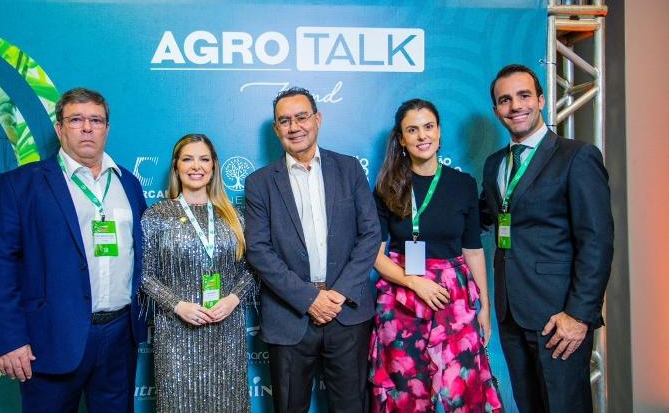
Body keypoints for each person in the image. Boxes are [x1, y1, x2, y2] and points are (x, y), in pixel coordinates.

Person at [0, 87, 147, 412]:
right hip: (51, 338)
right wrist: (10, 339)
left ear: (107, 129)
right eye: (76, 119)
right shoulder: (21, 185)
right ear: (59, 128)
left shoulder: (128, 183)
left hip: (119, 336)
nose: (87, 128)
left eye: (96, 120)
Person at [480, 64, 613, 413]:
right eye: (504, 100)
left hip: (559, 317)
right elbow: (482, 215)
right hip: (511, 312)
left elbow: (596, 242)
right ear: (496, 110)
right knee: (530, 406)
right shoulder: (495, 164)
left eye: (524, 96)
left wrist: (579, 316)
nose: (515, 106)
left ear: (540, 100)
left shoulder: (576, 156)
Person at [245, 86, 381, 413]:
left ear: (317, 119)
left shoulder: (349, 169)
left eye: (301, 117)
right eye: (285, 121)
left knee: (351, 407)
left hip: (346, 312)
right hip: (289, 317)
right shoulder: (259, 182)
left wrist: (339, 293)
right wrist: (310, 299)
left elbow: (370, 234)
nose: (294, 127)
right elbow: (260, 251)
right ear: (277, 129)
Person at [370, 99, 502, 412]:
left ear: (439, 132)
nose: (422, 136)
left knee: (463, 388)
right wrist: (416, 283)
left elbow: (472, 248)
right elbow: (374, 256)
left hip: (454, 297)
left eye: (428, 127)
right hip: (401, 296)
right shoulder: (387, 186)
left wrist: (484, 305)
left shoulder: (463, 184)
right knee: (404, 389)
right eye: (412, 130)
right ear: (402, 139)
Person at [140, 133, 256, 412]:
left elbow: (253, 268)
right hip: (176, 334)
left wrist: (233, 299)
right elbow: (144, 275)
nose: (196, 166)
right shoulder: (157, 215)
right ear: (176, 167)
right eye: (188, 159)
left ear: (214, 166)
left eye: (204, 159)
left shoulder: (235, 215)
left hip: (227, 330)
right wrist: (177, 305)